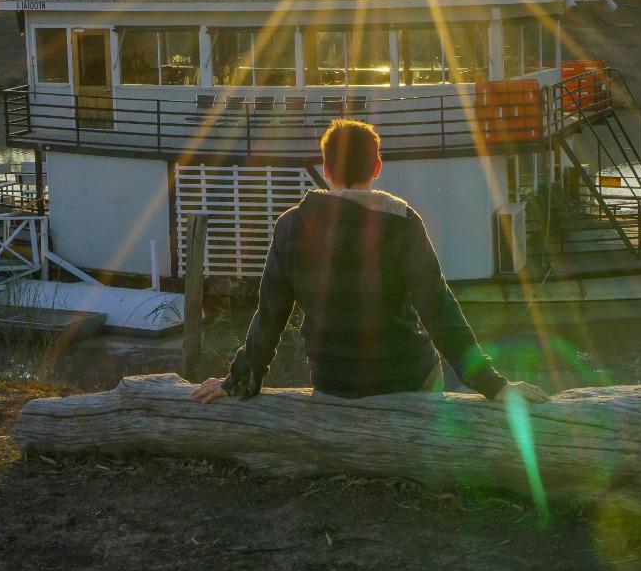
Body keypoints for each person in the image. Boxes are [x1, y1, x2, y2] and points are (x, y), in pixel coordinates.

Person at [191, 119, 547, 405]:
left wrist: (238, 380)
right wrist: (493, 385)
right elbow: (438, 310)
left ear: (325, 169)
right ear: (377, 166)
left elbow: (270, 316)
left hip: (334, 384)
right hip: (405, 379)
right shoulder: (402, 222)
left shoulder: (290, 226)